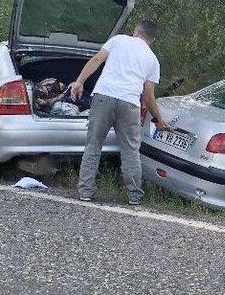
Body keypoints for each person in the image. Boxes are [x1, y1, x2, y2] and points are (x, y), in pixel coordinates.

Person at [70, 20, 169, 205]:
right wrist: (159, 119)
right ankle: (134, 196)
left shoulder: (118, 40)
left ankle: (85, 192)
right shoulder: (153, 60)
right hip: (130, 104)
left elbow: (96, 60)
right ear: (152, 40)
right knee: (131, 151)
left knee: (93, 145)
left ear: (136, 32)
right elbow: (148, 96)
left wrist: (79, 81)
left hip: (103, 97)